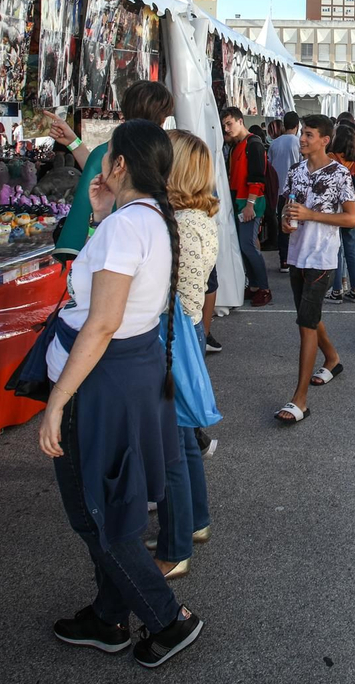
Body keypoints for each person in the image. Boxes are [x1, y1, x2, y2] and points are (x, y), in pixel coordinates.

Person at [37, 120, 203, 667]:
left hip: (101, 382)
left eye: (106, 155)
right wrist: (104, 214)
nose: (100, 163)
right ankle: (108, 616)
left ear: (121, 165)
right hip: (129, 373)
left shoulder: (130, 226)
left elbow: (103, 321)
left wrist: (58, 400)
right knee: (110, 503)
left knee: (97, 513)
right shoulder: (147, 218)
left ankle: (168, 618)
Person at [150, 130, 219, 577]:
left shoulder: (177, 223)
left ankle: (174, 549)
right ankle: (194, 522)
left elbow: (160, 293)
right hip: (183, 331)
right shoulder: (196, 217)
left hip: (168, 334)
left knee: (171, 446)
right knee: (183, 437)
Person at [276, 115, 355, 424]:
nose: (302, 138)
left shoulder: (340, 174)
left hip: (322, 259)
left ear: (325, 140)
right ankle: (332, 358)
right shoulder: (295, 171)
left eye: (309, 134)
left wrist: (311, 215)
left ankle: (300, 399)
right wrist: (285, 222)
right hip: (296, 255)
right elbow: (287, 209)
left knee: (306, 324)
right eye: (303, 133)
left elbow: (351, 219)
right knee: (307, 316)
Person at [49, 81, 175, 256]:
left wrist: (74, 143)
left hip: (107, 245)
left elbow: (99, 171)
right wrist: (73, 143)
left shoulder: (112, 149)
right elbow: (100, 173)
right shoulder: (166, 150)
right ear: (163, 118)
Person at [219, 107, 273, 307]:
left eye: (229, 123)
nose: (227, 128)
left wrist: (250, 204)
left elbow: (257, 178)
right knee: (244, 247)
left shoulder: (254, 144)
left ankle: (264, 288)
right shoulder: (237, 145)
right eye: (224, 125)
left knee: (248, 246)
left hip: (249, 201)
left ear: (240, 121)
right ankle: (256, 286)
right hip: (240, 201)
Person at [326, 122, 355, 303]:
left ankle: (337, 290)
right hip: (353, 208)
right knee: (352, 249)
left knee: (336, 248)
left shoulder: (331, 158)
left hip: (335, 208)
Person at [268, 110, 302, 272]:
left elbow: (269, 165)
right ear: (297, 126)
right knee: (297, 224)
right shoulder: (299, 143)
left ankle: (284, 260)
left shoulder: (274, 143)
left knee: (283, 224)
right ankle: (296, 259)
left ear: (283, 125)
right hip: (296, 190)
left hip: (279, 189)